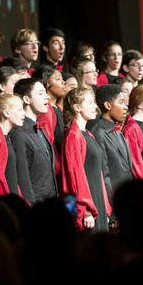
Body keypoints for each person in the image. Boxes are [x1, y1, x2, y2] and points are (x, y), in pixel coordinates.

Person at [62, 87, 112, 231]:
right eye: (90, 103)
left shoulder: (88, 134)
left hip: (97, 200)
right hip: (88, 204)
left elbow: (98, 173)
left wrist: (105, 206)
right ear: (77, 107)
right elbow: (75, 175)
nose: (95, 107)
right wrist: (85, 209)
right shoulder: (73, 135)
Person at [11, 78, 57, 204]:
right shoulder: (19, 132)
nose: (47, 97)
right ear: (26, 99)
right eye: (41, 93)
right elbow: (22, 175)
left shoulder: (39, 128)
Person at [87, 84, 134, 191]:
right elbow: (104, 176)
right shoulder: (98, 133)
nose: (125, 107)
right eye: (121, 102)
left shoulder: (116, 129)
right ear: (108, 105)